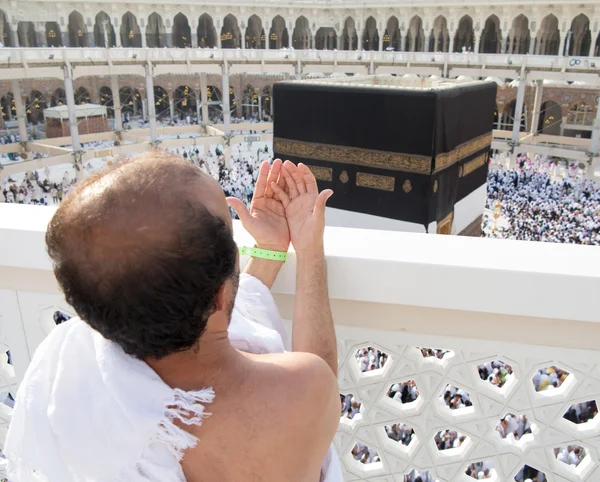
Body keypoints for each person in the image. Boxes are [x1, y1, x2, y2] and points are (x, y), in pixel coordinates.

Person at [5, 153, 342, 482]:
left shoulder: (74, 382)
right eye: (228, 232)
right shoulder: (301, 392)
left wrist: (269, 249)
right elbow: (318, 370)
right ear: (220, 296)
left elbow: (213, 307)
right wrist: (310, 248)